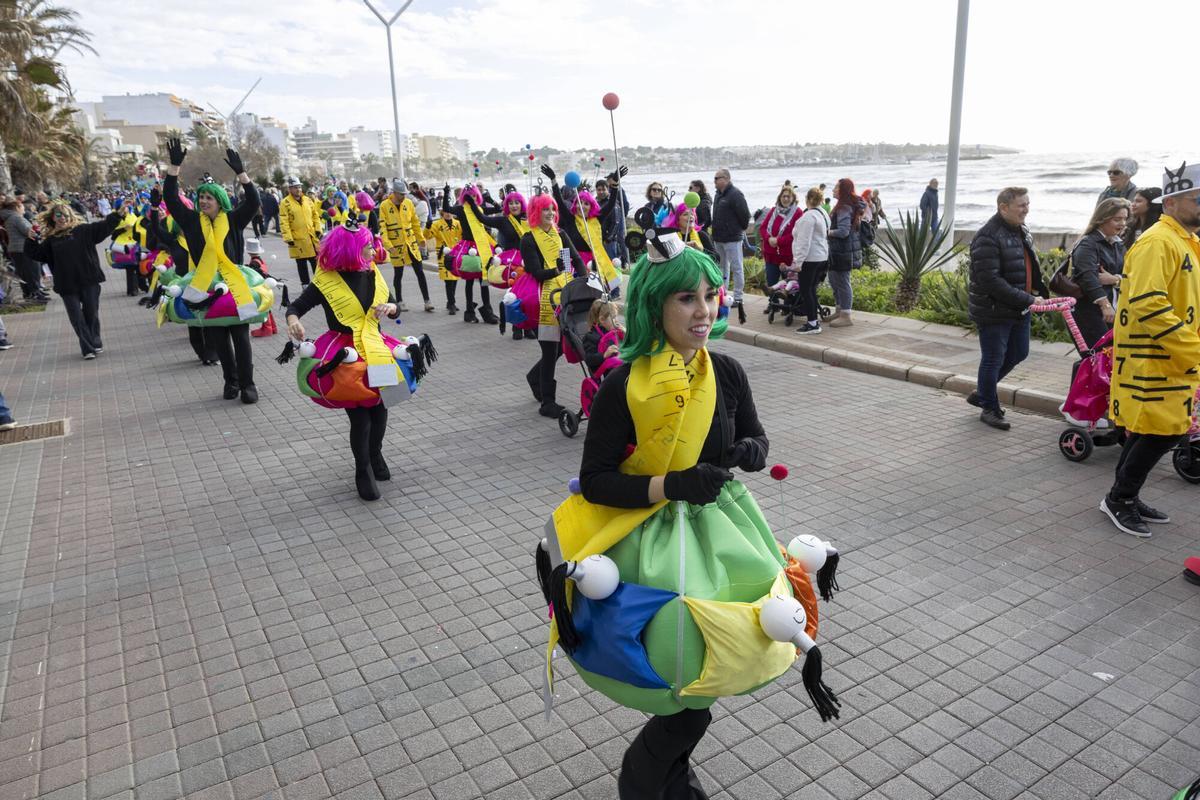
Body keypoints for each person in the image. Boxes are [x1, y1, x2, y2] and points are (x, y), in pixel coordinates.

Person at [544, 228, 837, 799]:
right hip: (647, 541)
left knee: (716, 665)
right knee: (681, 682)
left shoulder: (726, 371)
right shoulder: (622, 386)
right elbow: (599, 483)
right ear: (656, 304)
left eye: (710, 295)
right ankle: (648, 777)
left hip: (723, 537)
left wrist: (753, 451)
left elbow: (756, 435)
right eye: (686, 298)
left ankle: (672, 768)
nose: (704, 310)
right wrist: (671, 484)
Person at [284, 220, 429, 502]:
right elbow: (296, 306)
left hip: (376, 345)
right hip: (346, 353)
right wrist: (292, 321)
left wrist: (391, 307)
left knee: (381, 407)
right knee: (360, 417)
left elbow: (394, 302)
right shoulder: (326, 280)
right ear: (350, 251)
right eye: (367, 248)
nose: (374, 252)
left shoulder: (373, 274)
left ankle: (375, 454)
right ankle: (362, 469)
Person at [1101, 161, 1200, 537]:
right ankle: (1119, 499)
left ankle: (1122, 494)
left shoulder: (1185, 241)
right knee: (1160, 431)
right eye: (1198, 198)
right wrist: (1193, 348)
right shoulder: (1158, 241)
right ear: (1171, 202)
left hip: (1172, 360)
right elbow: (1149, 303)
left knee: (1153, 430)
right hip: (1154, 360)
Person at [162, 137, 264, 404]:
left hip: (233, 284)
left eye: (209, 197)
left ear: (220, 201)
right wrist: (174, 168)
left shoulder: (232, 219)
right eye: (201, 197)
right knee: (218, 338)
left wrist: (242, 174)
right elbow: (171, 200)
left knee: (241, 338)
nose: (204, 201)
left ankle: (247, 384)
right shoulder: (191, 221)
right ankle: (230, 382)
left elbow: (253, 203)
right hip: (205, 286)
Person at [967, 187, 1046, 430]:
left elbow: (1027, 265)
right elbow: (990, 281)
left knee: (1019, 353)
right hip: (994, 310)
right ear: (1003, 207)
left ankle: (983, 392)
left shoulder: (1019, 230)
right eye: (1021, 205)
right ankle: (990, 408)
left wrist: (1038, 293)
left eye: (1028, 204)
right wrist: (1027, 299)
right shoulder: (988, 237)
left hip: (1017, 307)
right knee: (993, 359)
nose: (1026, 209)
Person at [22, 201, 122, 359]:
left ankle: (95, 341)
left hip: (89, 280)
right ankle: (87, 348)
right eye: (59, 215)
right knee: (76, 317)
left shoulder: (84, 230)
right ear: (53, 218)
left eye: (65, 215)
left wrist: (118, 214)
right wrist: (30, 239)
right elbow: (36, 254)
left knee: (91, 314)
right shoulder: (51, 240)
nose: (62, 218)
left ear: (71, 216)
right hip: (66, 284)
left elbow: (104, 227)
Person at [520, 193, 585, 418]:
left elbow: (575, 260)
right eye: (545, 209)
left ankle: (534, 377)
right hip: (544, 300)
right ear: (536, 213)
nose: (551, 214)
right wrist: (556, 270)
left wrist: (585, 279)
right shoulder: (528, 239)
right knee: (550, 351)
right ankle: (547, 402)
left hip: (565, 295)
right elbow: (535, 272)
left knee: (560, 348)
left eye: (553, 209)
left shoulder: (561, 234)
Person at [1070, 198, 1129, 348]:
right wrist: (1105, 305)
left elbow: (1130, 273)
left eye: (1125, 219)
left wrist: (1115, 279)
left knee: (1107, 357)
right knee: (1096, 357)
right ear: (1102, 219)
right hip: (1089, 309)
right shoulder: (1088, 243)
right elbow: (1088, 277)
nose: (1122, 224)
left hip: (1112, 307)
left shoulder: (1117, 244)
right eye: (1117, 219)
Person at [442, 184, 499, 324]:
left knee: (484, 280)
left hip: (482, 247)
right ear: (464, 198)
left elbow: (498, 209)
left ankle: (487, 311)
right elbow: (446, 209)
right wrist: (446, 193)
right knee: (469, 280)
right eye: (469, 196)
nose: (472, 199)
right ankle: (469, 311)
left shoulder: (479, 209)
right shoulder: (461, 210)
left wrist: (489, 198)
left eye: (474, 195)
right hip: (468, 248)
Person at [379, 180, 433, 313]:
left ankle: (427, 301)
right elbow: (382, 228)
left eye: (405, 193)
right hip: (396, 246)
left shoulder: (408, 204)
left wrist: (421, 239)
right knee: (398, 274)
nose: (404, 196)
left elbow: (415, 222)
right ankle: (400, 301)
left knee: (420, 272)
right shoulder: (384, 206)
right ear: (395, 193)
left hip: (411, 244)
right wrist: (388, 245)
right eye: (401, 194)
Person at [711, 168, 750, 323]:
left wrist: (736, 230)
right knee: (722, 267)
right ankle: (723, 293)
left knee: (737, 267)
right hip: (719, 238)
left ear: (726, 178)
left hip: (733, 238)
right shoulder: (718, 195)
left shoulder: (735, 194)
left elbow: (745, 216)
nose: (714, 181)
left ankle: (739, 297)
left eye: (716, 178)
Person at [826, 177, 865, 327]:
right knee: (834, 280)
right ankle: (839, 310)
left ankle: (846, 315)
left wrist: (827, 232)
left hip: (843, 252)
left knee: (842, 282)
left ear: (842, 190)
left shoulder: (844, 208)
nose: (833, 190)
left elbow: (843, 232)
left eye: (836, 187)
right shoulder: (843, 206)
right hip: (838, 251)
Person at [791, 187, 831, 335]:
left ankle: (812, 323)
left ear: (807, 199)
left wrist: (798, 262)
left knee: (806, 290)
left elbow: (803, 242)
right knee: (811, 289)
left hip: (810, 259)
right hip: (822, 256)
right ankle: (814, 321)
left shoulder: (808, 217)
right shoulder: (823, 213)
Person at [1, 198, 47, 302]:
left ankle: (30, 292)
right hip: (23, 248)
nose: (24, 209)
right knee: (31, 271)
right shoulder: (17, 218)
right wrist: (37, 231)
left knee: (23, 272)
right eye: (22, 207)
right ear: (17, 208)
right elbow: (28, 232)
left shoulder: (10, 217)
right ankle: (34, 293)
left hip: (16, 249)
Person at [280, 176, 322, 287]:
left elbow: (315, 216)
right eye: (295, 187)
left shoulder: (308, 200)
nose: (298, 189)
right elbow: (284, 221)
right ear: (290, 189)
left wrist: (318, 229)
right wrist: (288, 237)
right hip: (298, 239)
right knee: (301, 264)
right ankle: (305, 285)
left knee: (316, 263)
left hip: (312, 238)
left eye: (299, 187)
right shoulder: (285, 203)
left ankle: (319, 285)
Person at [758, 184, 801, 289]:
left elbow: (795, 234)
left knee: (789, 286)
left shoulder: (798, 213)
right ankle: (773, 305)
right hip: (771, 255)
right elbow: (762, 228)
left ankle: (788, 305)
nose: (785, 199)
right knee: (772, 284)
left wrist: (778, 241)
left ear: (793, 199)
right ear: (779, 198)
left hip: (787, 257)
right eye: (783, 196)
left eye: (788, 196)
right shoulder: (773, 211)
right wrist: (768, 238)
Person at [429, 208, 463, 314]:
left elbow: (463, 235)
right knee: (448, 280)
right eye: (446, 212)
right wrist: (427, 226)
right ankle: (451, 303)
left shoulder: (458, 223)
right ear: (442, 213)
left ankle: (450, 302)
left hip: (456, 254)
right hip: (444, 254)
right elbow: (427, 235)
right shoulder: (436, 224)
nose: (448, 214)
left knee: (455, 279)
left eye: (450, 211)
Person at [581, 297, 622, 374]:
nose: (616, 320)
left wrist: (624, 331)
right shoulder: (591, 337)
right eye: (613, 317)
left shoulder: (611, 331)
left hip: (613, 368)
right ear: (602, 319)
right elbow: (589, 359)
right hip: (602, 372)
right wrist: (604, 354)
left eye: (616, 317)